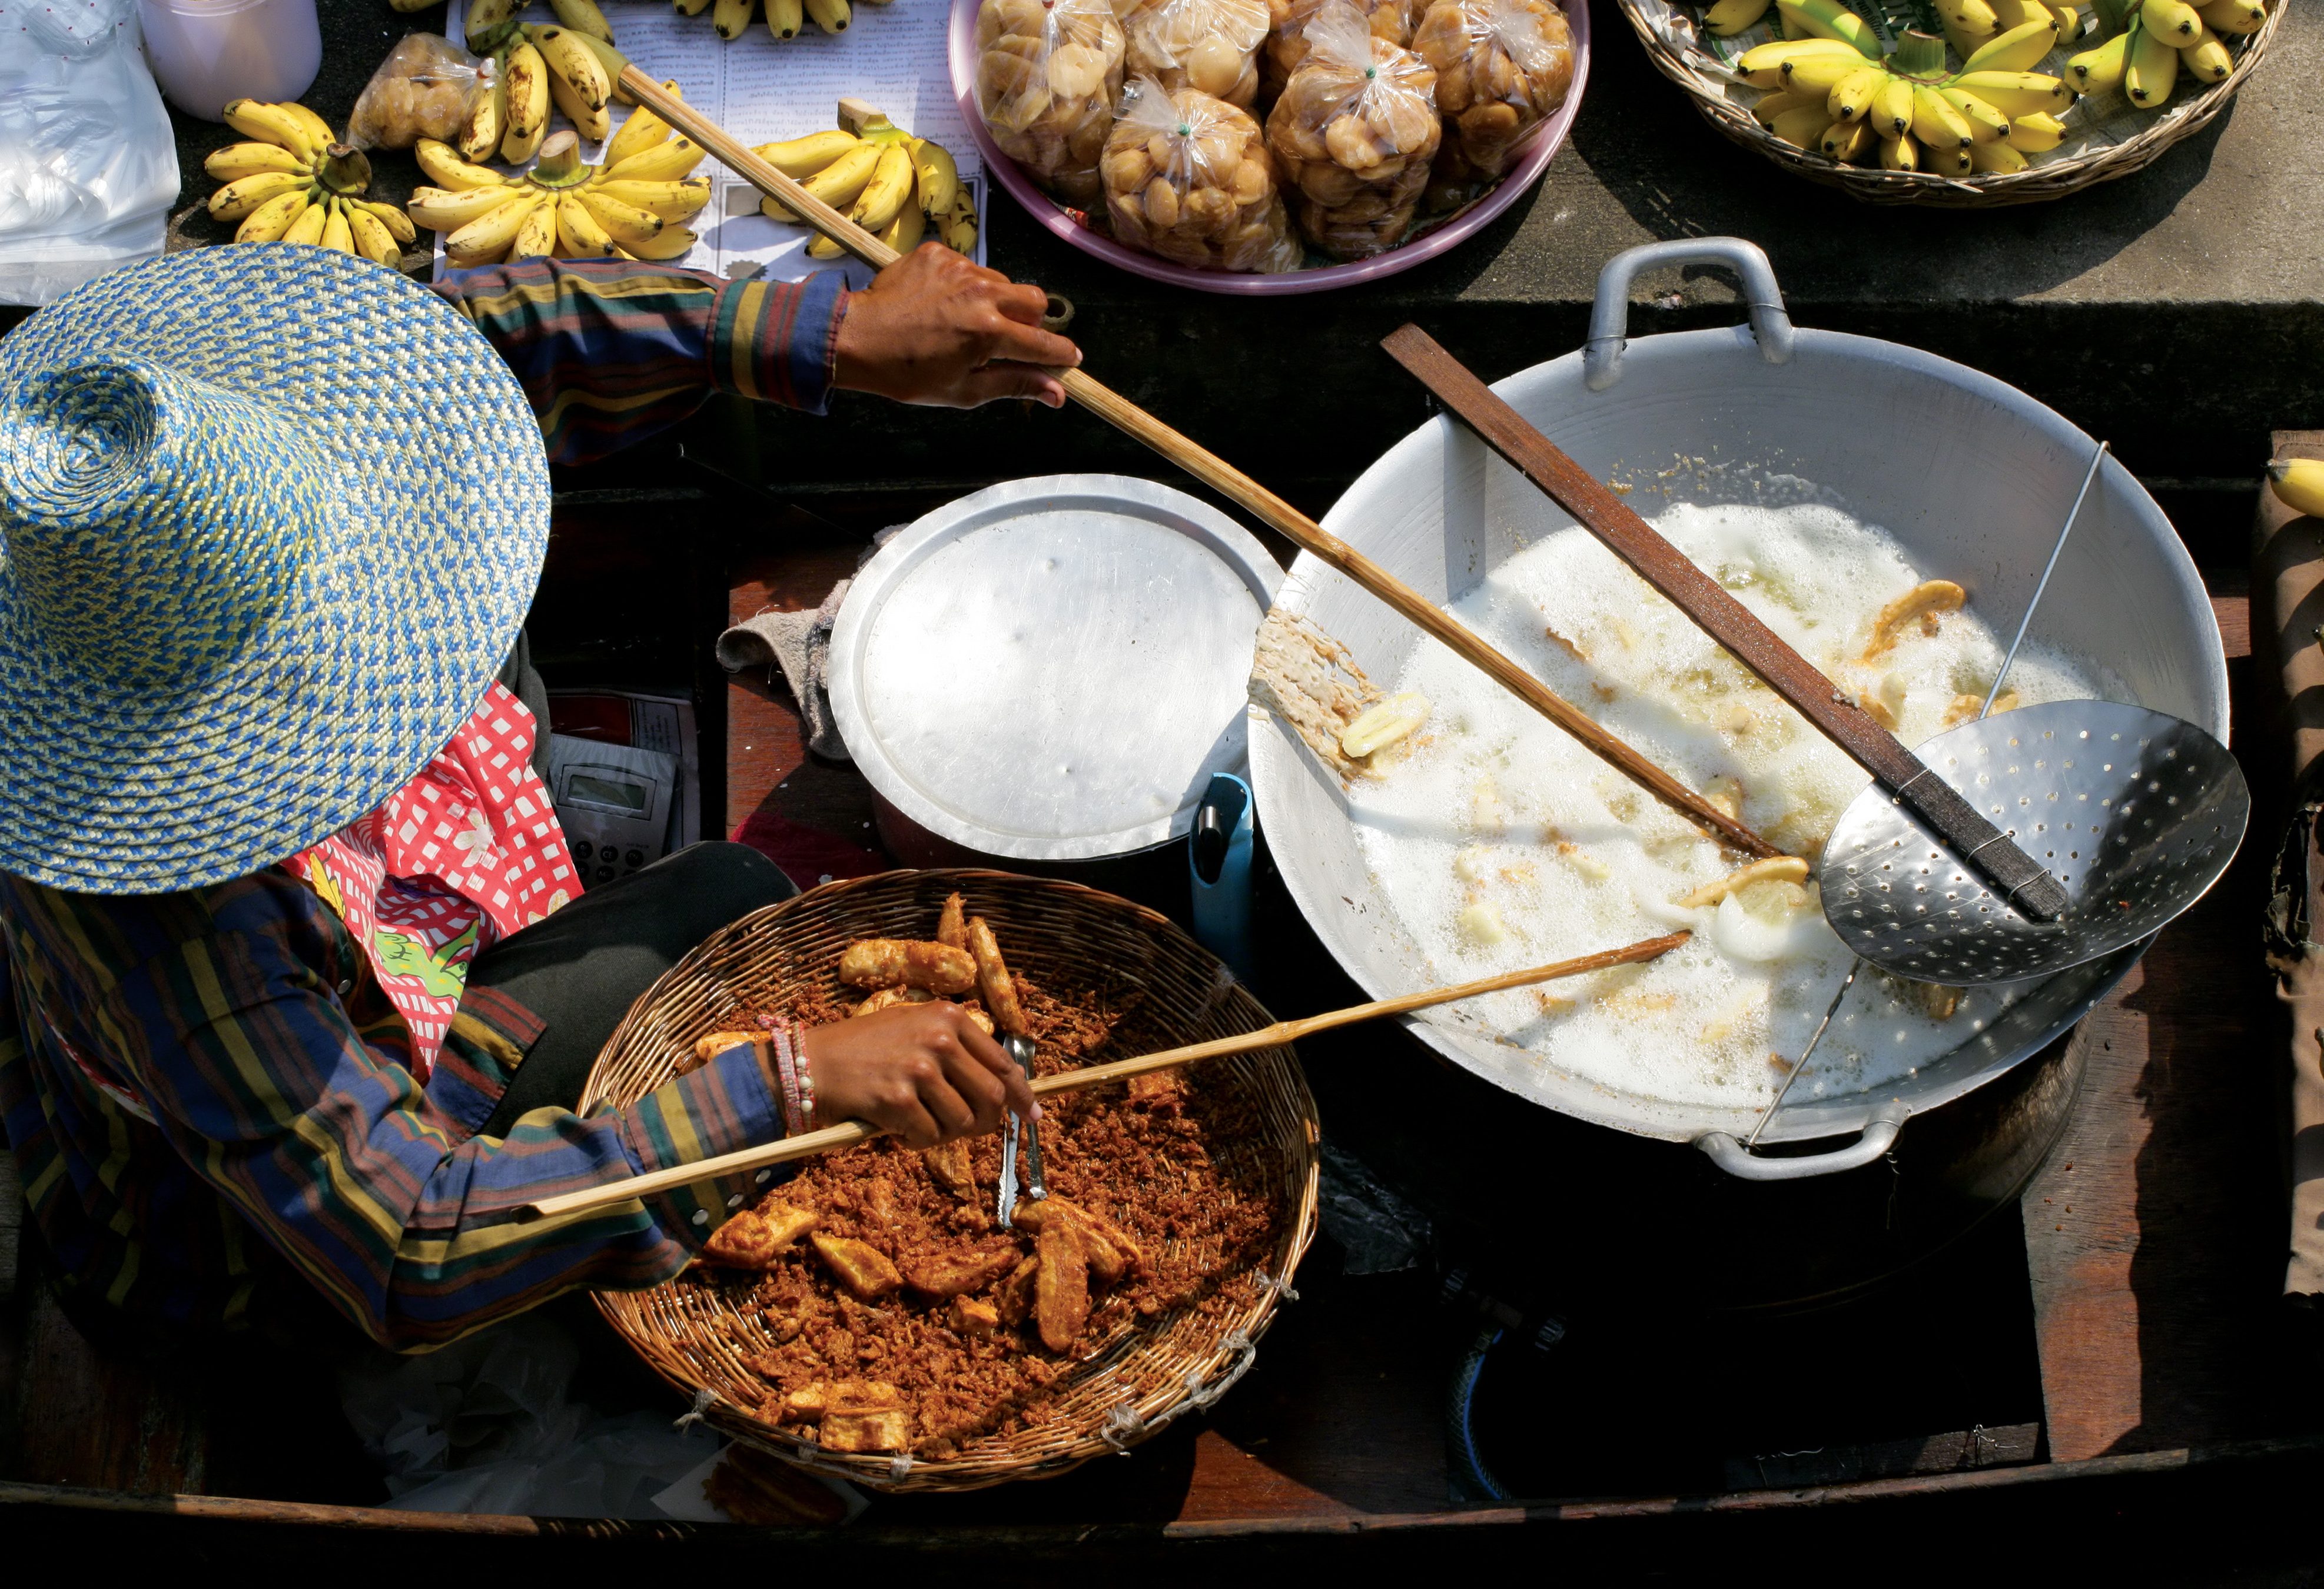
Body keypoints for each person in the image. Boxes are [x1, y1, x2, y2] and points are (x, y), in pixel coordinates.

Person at [0, 241, 1078, 1352]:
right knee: (722, 897)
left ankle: (501, 924)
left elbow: (488, 330)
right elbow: (413, 1247)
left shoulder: (193, 441)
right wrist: (788, 1088)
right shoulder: (178, 926)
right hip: (265, 1242)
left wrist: (825, 334)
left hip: (362, 954)